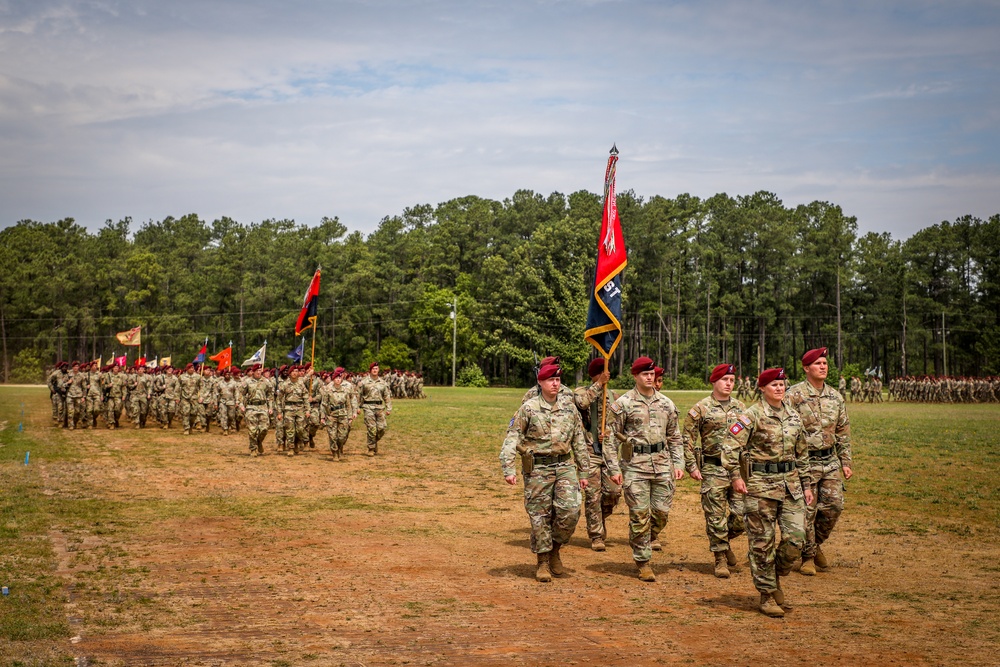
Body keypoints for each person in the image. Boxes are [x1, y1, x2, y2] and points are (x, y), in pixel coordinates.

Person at [727, 368, 814, 617]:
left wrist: (807, 485)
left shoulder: (794, 416)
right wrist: (735, 477)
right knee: (762, 544)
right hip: (760, 487)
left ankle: (773, 577)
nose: (779, 388)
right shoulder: (750, 416)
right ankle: (766, 595)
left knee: (796, 540)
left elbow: (802, 454)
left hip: (790, 486)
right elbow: (730, 446)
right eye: (773, 384)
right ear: (762, 388)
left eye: (782, 384)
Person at [500, 362, 589, 582]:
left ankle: (555, 549)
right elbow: (512, 437)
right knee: (540, 517)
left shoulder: (570, 408)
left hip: (565, 466)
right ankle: (542, 562)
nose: (555, 384)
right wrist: (508, 467)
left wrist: (584, 471)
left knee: (570, 511)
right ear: (540, 382)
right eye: (550, 380)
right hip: (538, 468)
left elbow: (579, 439)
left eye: (558, 380)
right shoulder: (528, 408)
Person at [601, 356, 685, 582]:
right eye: (645, 374)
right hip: (635, 466)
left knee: (660, 514)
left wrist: (679, 463)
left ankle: (646, 538)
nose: (650, 378)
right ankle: (643, 561)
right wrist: (613, 468)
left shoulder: (667, 404)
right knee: (639, 515)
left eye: (652, 374)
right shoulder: (623, 405)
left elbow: (675, 437)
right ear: (635, 376)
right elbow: (610, 439)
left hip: (662, 465)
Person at [787, 348, 853, 576]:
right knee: (808, 510)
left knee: (833, 507)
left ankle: (814, 546)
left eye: (825, 363)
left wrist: (845, 461)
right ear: (806, 368)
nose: (823, 366)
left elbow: (843, 430)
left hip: (830, 461)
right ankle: (807, 557)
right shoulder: (793, 395)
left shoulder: (835, 396)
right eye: (818, 363)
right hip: (804, 463)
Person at [683, 363, 747, 578]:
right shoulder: (701, 408)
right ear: (714, 381)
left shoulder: (741, 407)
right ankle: (720, 558)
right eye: (724, 380)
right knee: (715, 516)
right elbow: (687, 439)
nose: (729, 384)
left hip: (738, 470)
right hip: (712, 468)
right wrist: (691, 466)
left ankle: (724, 541)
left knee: (742, 516)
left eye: (731, 380)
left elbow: (750, 438)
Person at [573, 358, 621, 551]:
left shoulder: (615, 396)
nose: (606, 375)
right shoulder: (581, 392)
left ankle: (600, 517)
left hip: (609, 453)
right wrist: (598, 384)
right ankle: (596, 535)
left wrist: (610, 434)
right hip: (589, 451)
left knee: (613, 492)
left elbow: (619, 422)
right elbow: (583, 404)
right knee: (593, 495)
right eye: (602, 372)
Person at [320, 367, 358, 460]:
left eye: (339, 378)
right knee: (332, 436)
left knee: (342, 436)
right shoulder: (328, 390)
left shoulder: (345, 390)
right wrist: (322, 416)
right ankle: (335, 453)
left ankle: (340, 447)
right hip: (331, 415)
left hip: (343, 415)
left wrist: (350, 416)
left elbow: (348, 404)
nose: (338, 379)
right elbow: (324, 404)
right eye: (336, 378)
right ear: (333, 378)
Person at [357, 362, 392, 456]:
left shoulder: (383, 382)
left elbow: (386, 396)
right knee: (372, 429)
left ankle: (374, 441)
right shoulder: (363, 382)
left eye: (376, 368)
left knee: (382, 428)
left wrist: (389, 408)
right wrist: (357, 407)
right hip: (368, 407)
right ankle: (371, 448)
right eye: (373, 368)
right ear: (370, 370)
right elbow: (358, 396)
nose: (375, 370)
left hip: (380, 407)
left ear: (378, 370)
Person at [239, 364, 273, 457]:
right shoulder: (247, 382)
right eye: (257, 370)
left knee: (264, 428)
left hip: (263, 407)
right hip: (251, 407)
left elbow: (270, 395)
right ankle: (253, 449)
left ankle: (259, 441)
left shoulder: (266, 382)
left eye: (260, 370)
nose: (259, 372)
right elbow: (240, 394)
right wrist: (241, 405)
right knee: (252, 430)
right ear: (253, 371)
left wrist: (270, 407)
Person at [277, 365, 310, 456]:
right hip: (288, 409)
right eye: (293, 371)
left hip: (300, 409)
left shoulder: (301, 384)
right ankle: (290, 447)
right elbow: (279, 399)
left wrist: (307, 410)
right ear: (290, 373)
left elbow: (306, 398)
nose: (295, 373)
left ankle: (297, 442)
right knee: (289, 429)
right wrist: (279, 412)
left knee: (300, 429)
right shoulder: (284, 384)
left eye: (296, 371)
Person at [179, 363, 202, 435]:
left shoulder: (198, 377)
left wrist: (201, 396)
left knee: (194, 413)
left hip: (194, 398)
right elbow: (178, 387)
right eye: (190, 368)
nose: (192, 369)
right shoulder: (182, 377)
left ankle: (191, 426)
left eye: (193, 368)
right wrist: (177, 397)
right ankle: (186, 428)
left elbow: (202, 387)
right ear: (187, 369)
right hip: (185, 398)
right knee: (185, 413)